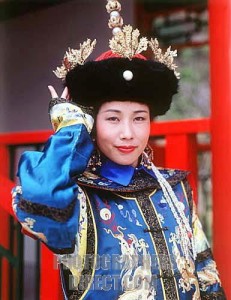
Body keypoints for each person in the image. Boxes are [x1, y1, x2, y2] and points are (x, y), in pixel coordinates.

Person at [12, 1, 226, 299]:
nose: (128, 133)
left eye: (139, 118)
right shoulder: (77, 197)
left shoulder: (174, 189)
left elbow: (206, 273)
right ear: (92, 123)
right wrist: (70, 128)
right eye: (112, 118)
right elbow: (39, 199)